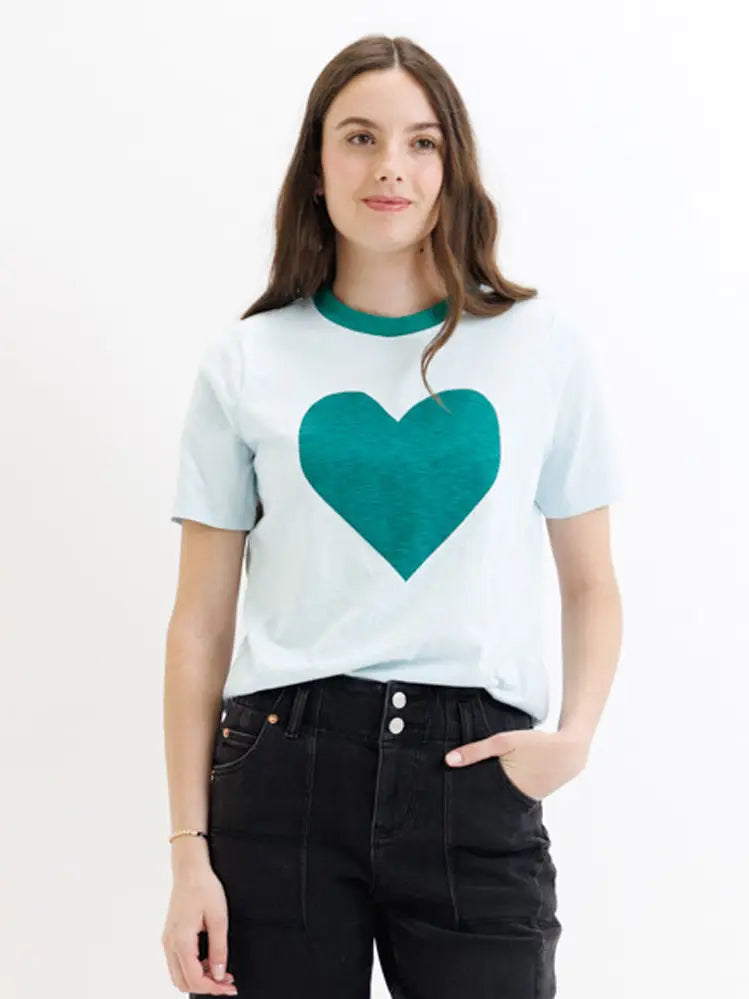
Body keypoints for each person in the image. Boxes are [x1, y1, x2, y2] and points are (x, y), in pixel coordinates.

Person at [161, 33, 624, 999]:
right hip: (282, 770)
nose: (390, 168)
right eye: (360, 137)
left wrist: (573, 737)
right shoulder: (246, 362)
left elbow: (590, 583)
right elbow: (200, 622)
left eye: (421, 142)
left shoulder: (540, 349)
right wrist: (188, 852)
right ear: (316, 165)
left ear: (452, 168)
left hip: (477, 774)